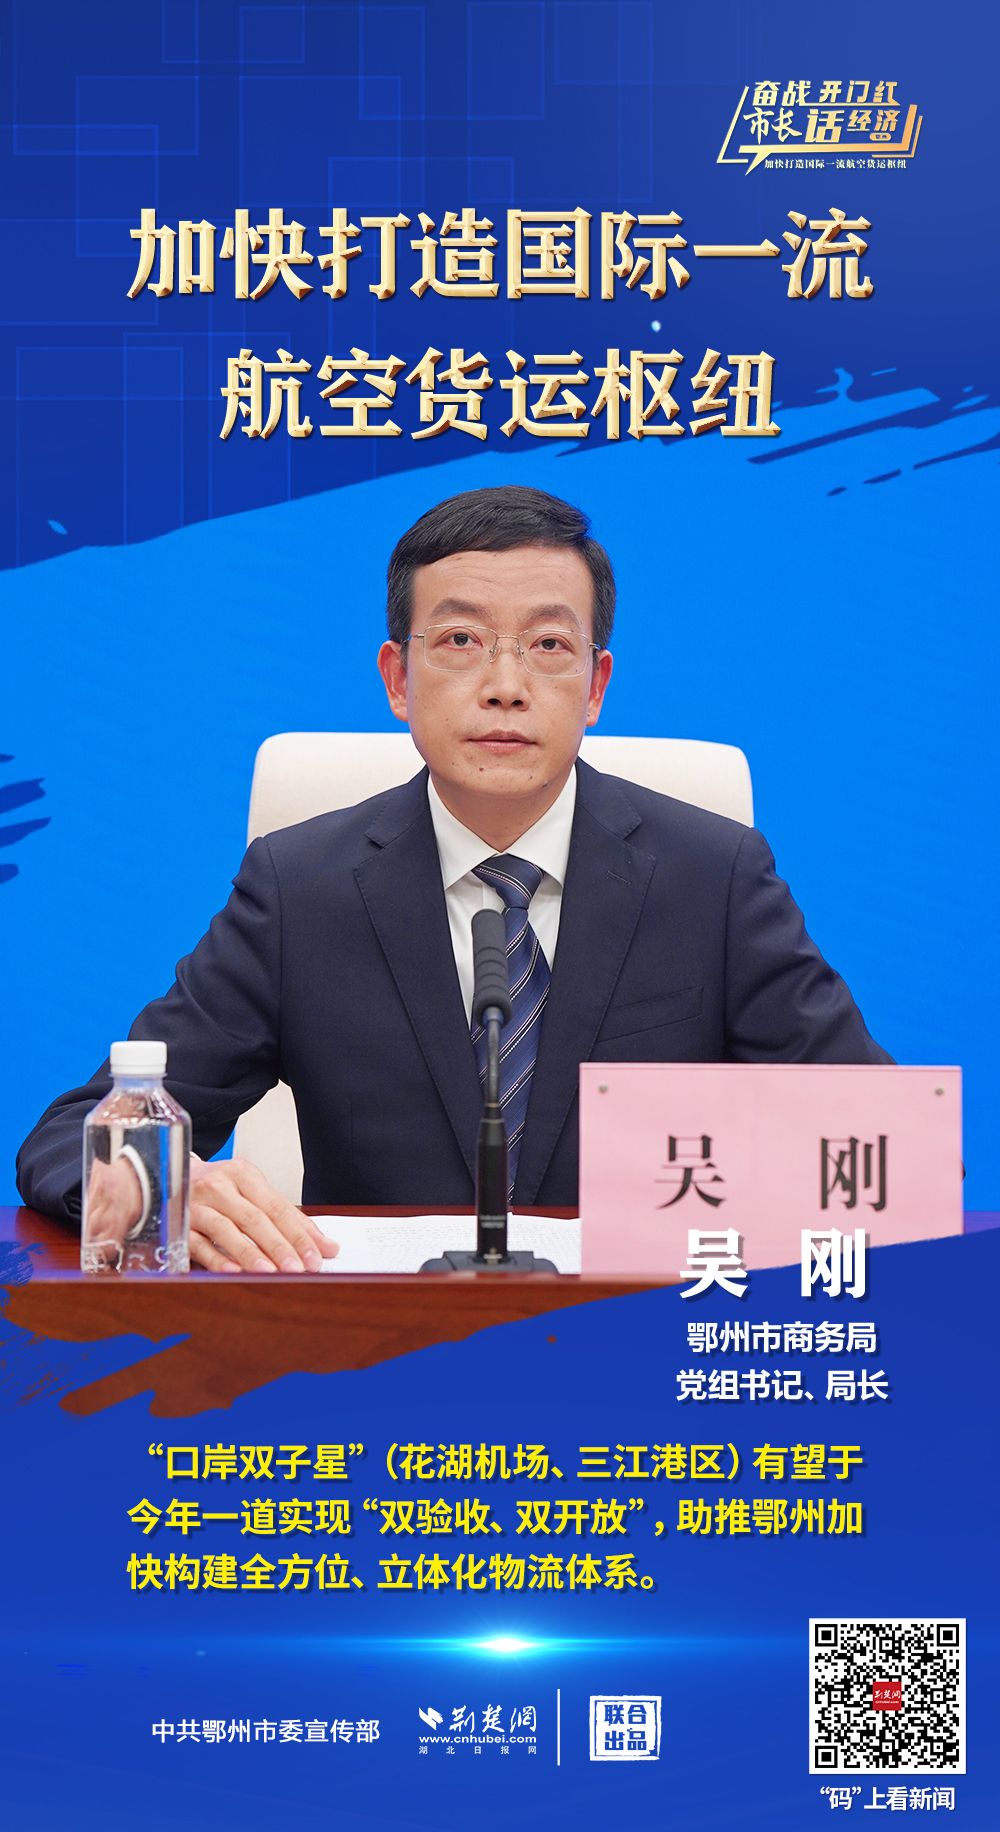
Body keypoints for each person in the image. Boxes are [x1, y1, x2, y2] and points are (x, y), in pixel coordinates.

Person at [16, 485, 890, 1270]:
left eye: (548, 644)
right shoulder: (301, 891)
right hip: (371, 1360)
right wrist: (164, 1185)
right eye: (461, 640)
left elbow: (876, 1146)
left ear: (595, 686)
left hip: (638, 1342)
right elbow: (69, 1136)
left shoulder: (712, 878)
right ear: (398, 678)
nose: (505, 685)